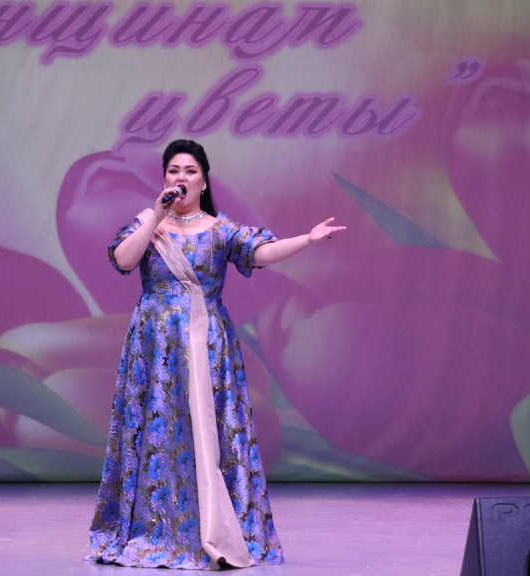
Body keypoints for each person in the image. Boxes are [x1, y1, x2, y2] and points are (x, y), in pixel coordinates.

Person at [86, 139, 345, 569]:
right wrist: (156, 216)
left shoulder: (220, 228)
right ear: (164, 179)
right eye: (173, 170)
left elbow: (260, 252)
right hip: (154, 343)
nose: (181, 177)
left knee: (210, 432)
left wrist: (308, 239)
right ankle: (155, 527)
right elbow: (124, 260)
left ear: (204, 182)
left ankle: (216, 528)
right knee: (157, 430)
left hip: (207, 341)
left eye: (190, 171)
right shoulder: (147, 222)